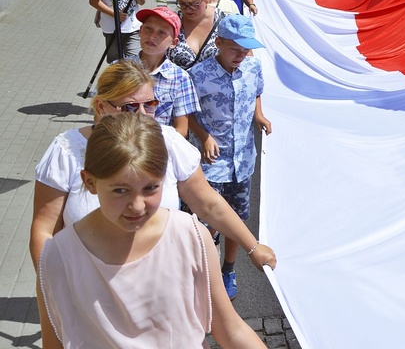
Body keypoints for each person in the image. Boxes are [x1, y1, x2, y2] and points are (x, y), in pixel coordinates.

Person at [36, 111, 345, 349]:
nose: (137, 205)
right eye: (120, 190)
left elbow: (229, 328)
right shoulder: (60, 257)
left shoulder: (190, 236)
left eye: (150, 188)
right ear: (89, 182)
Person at [30, 60, 276, 276]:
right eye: (129, 107)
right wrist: (51, 287)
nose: (143, 115)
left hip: (158, 278)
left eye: (150, 104)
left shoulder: (169, 141)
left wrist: (252, 246)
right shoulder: (67, 151)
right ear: (102, 106)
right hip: (84, 283)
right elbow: (45, 228)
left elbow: (208, 203)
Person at [188, 14, 272, 300]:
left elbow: (257, 93)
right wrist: (203, 136)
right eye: (235, 47)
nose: (242, 54)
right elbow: (186, 112)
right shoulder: (198, 75)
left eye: (246, 48)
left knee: (235, 219)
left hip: (243, 160)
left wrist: (259, 115)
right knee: (207, 222)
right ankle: (204, 271)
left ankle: (228, 269)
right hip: (212, 163)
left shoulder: (253, 67)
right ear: (219, 42)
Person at [129, 6, 200, 136]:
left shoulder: (180, 78)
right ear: (140, 31)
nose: (152, 36)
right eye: (148, 28)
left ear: (173, 42)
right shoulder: (119, 69)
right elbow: (101, 115)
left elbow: (181, 130)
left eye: (161, 32)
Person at [167, 0, 224, 70]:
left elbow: (245, 55)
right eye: (183, 4)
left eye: (194, 4)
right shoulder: (173, 22)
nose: (188, 9)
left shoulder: (223, 21)